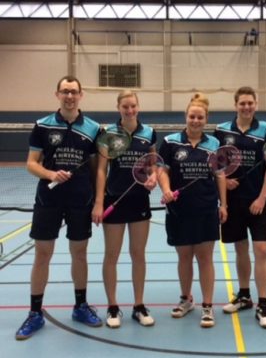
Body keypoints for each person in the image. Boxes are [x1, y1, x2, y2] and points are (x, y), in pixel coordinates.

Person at [15, 76, 103, 340]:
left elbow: (97, 168)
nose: (69, 96)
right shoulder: (42, 125)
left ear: (81, 95)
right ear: (57, 95)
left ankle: (80, 306)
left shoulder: (93, 128)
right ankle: (35, 313)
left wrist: (98, 201)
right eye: (65, 91)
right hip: (48, 199)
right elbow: (31, 163)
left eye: (74, 92)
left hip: (80, 199)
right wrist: (51, 174)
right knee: (43, 254)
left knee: (80, 253)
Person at [159, 93, 227, 328]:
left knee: (205, 258)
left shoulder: (214, 144)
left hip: (206, 208)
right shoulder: (170, 142)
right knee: (184, 257)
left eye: (200, 117)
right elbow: (162, 171)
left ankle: (207, 306)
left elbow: (220, 176)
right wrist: (166, 190)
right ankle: (186, 299)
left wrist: (223, 204)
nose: (196, 121)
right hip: (178, 210)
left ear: (206, 119)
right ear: (185, 117)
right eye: (192, 116)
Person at [92, 90, 158, 328]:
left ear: (138, 107)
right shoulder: (108, 133)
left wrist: (153, 177)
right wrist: (99, 202)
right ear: (118, 108)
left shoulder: (148, 133)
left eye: (133, 106)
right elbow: (102, 169)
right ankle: (112, 306)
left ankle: (139, 306)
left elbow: (153, 164)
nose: (130, 110)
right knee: (112, 255)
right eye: (125, 106)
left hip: (139, 199)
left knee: (138, 254)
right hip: (114, 199)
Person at [214, 86, 266, 329]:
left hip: (257, 201)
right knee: (240, 249)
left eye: (250, 103)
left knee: (261, 250)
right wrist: (225, 184)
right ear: (235, 105)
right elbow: (218, 166)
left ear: (256, 105)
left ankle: (263, 303)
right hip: (233, 202)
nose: (247, 107)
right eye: (242, 103)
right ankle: (244, 296)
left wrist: (262, 197)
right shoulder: (222, 131)